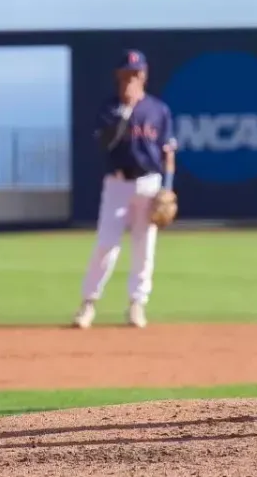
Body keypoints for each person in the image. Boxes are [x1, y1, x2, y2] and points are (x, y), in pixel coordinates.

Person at [72, 49, 176, 330]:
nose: (132, 78)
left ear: (144, 75)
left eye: (136, 73)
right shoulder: (110, 109)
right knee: (107, 244)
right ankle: (88, 304)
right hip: (118, 183)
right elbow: (104, 143)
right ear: (119, 77)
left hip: (149, 183)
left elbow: (167, 151)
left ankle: (137, 305)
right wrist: (125, 113)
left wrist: (167, 188)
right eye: (127, 74)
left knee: (144, 247)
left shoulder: (158, 110)